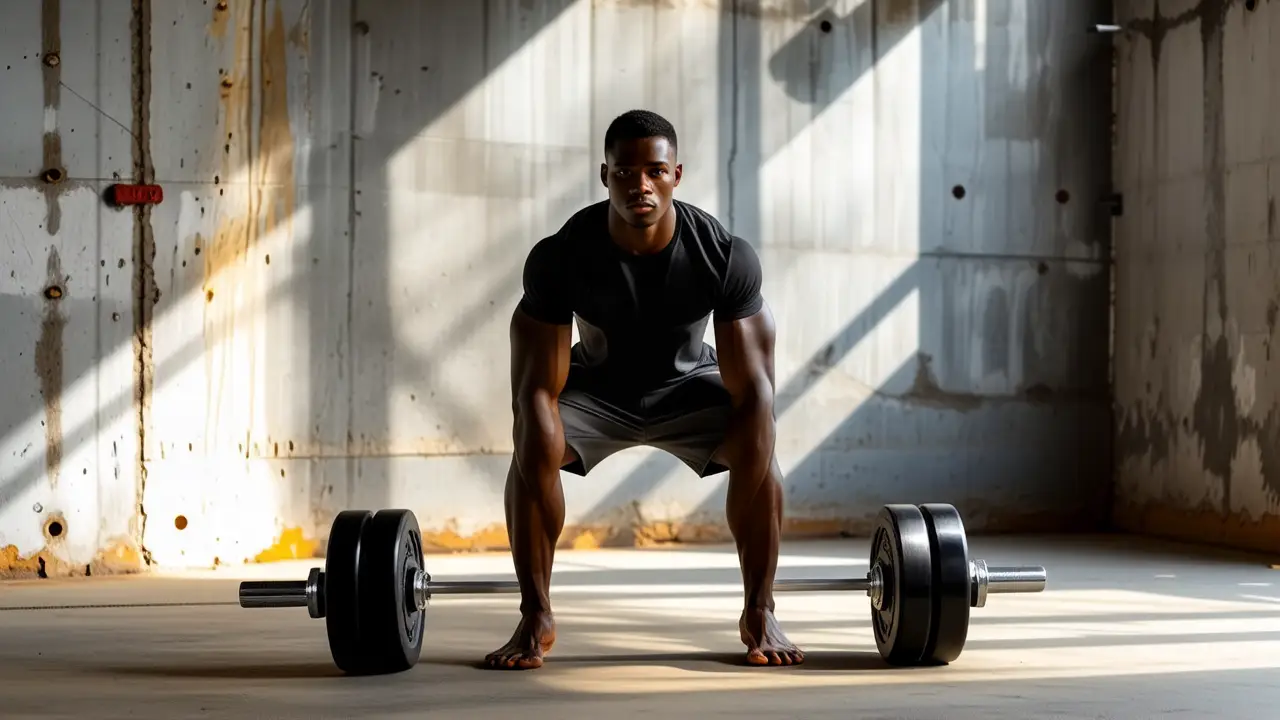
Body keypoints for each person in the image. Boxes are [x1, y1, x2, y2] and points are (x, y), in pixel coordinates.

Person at [484, 109, 803, 670]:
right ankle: (535, 613)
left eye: (655, 171)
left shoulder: (723, 255)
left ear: (676, 174)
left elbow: (755, 391)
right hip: (595, 393)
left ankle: (760, 609)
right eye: (625, 172)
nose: (641, 185)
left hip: (689, 390)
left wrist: (755, 436)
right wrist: (539, 438)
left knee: (759, 427)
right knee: (533, 429)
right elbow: (534, 390)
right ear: (604, 176)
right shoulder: (561, 257)